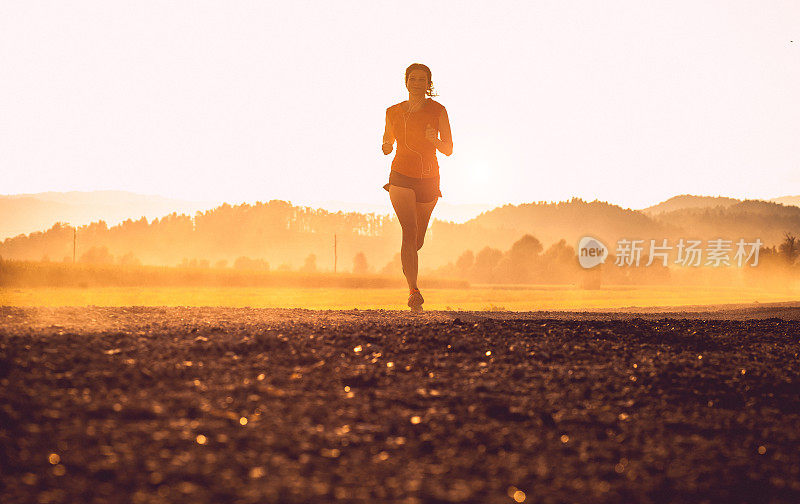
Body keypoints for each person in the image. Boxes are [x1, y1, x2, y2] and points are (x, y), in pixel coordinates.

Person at [381, 63, 453, 311]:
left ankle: (409, 264)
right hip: (400, 174)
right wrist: (387, 145)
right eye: (413, 78)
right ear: (406, 82)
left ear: (428, 84)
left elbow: (449, 148)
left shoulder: (438, 110)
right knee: (408, 231)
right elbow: (387, 140)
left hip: (429, 178)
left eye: (422, 79)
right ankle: (413, 291)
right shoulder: (392, 111)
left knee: (417, 238)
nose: (417, 82)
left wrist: (436, 140)